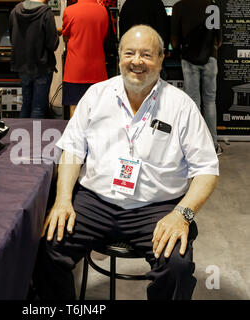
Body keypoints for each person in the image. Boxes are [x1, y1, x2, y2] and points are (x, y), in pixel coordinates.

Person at [32, 25, 219, 300]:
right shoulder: (96, 95)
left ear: (161, 58)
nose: (136, 61)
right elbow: (72, 150)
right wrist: (62, 200)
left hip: (157, 208)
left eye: (146, 54)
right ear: (119, 56)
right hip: (95, 202)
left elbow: (206, 170)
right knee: (46, 249)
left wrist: (182, 215)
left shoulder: (181, 106)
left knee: (176, 267)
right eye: (129, 52)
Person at [171, 0, 223, 155]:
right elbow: (219, 39)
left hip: (188, 59)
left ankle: (195, 147)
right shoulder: (212, 5)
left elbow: (174, 40)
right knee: (210, 101)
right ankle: (212, 145)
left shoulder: (179, 6)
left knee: (193, 103)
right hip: (210, 58)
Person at [9, 0, 59, 118]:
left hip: (23, 66)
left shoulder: (15, 11)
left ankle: (22, 135)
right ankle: (34, 136)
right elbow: (53, 44)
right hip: (42, 67)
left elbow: (12, 39)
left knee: (26, 104)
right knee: (38, 108)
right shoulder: (46, 13)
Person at [62, 0, 109, 118]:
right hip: (97, 70)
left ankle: (76, 137)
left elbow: (66, 34)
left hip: (75, 69)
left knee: (75, 109)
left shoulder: (69, 10)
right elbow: (103, 36)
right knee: (97, 110)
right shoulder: (103, 11)